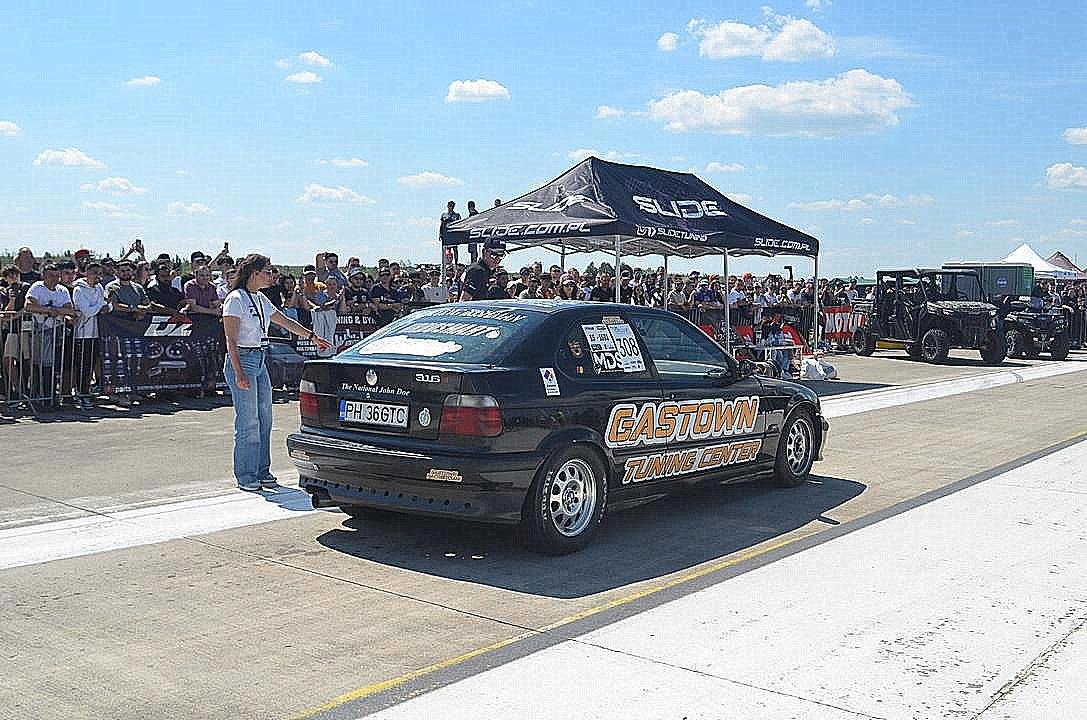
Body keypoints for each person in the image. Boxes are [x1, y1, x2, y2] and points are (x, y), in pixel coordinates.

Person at [222, 254, 331, 491]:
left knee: (265, 418)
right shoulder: (236, 299)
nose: (271, 276)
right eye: (267, 271)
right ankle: (246, 474)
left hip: (260, 357)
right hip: (243, 358)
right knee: (248, 421)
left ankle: (262, 470)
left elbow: (283, 321)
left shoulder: (260, 298)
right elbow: (231, 339)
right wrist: (239, 373)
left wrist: (312, 337)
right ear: (254, 273)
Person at [72, 262, 109, 410]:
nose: (97, 276)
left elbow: (107, 305)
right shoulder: (78, 290)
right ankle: (80, 393)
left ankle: (86, 392)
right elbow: (87, 311)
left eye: (100, 273)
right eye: (94, 273)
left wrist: (105, 306)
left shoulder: (99, 288)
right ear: (86, 273)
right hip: (82, 334)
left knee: (93, 365)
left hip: (96, 333)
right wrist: (100, 306)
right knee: (83, 366)